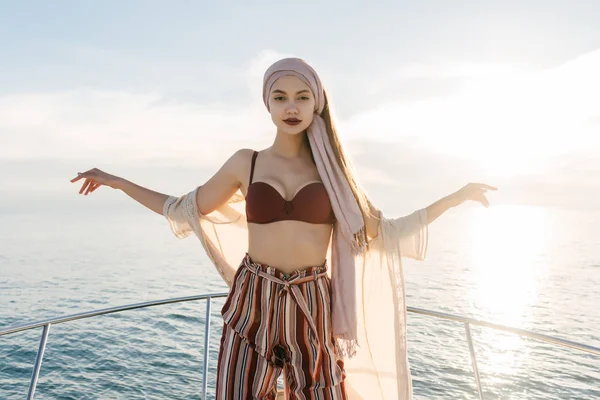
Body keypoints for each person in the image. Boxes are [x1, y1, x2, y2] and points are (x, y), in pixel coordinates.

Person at [71, 58, 496, 400]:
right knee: (236, 391)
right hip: (252, 298)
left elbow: (383, 233)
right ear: (268, 105)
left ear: (317, 104)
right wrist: (118, 181)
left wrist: (452, 199)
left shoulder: (335, 174)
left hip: (312, 302)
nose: (291, 106)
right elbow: (183, 209)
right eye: (280, 97)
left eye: (301, 97)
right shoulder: (246, 162)